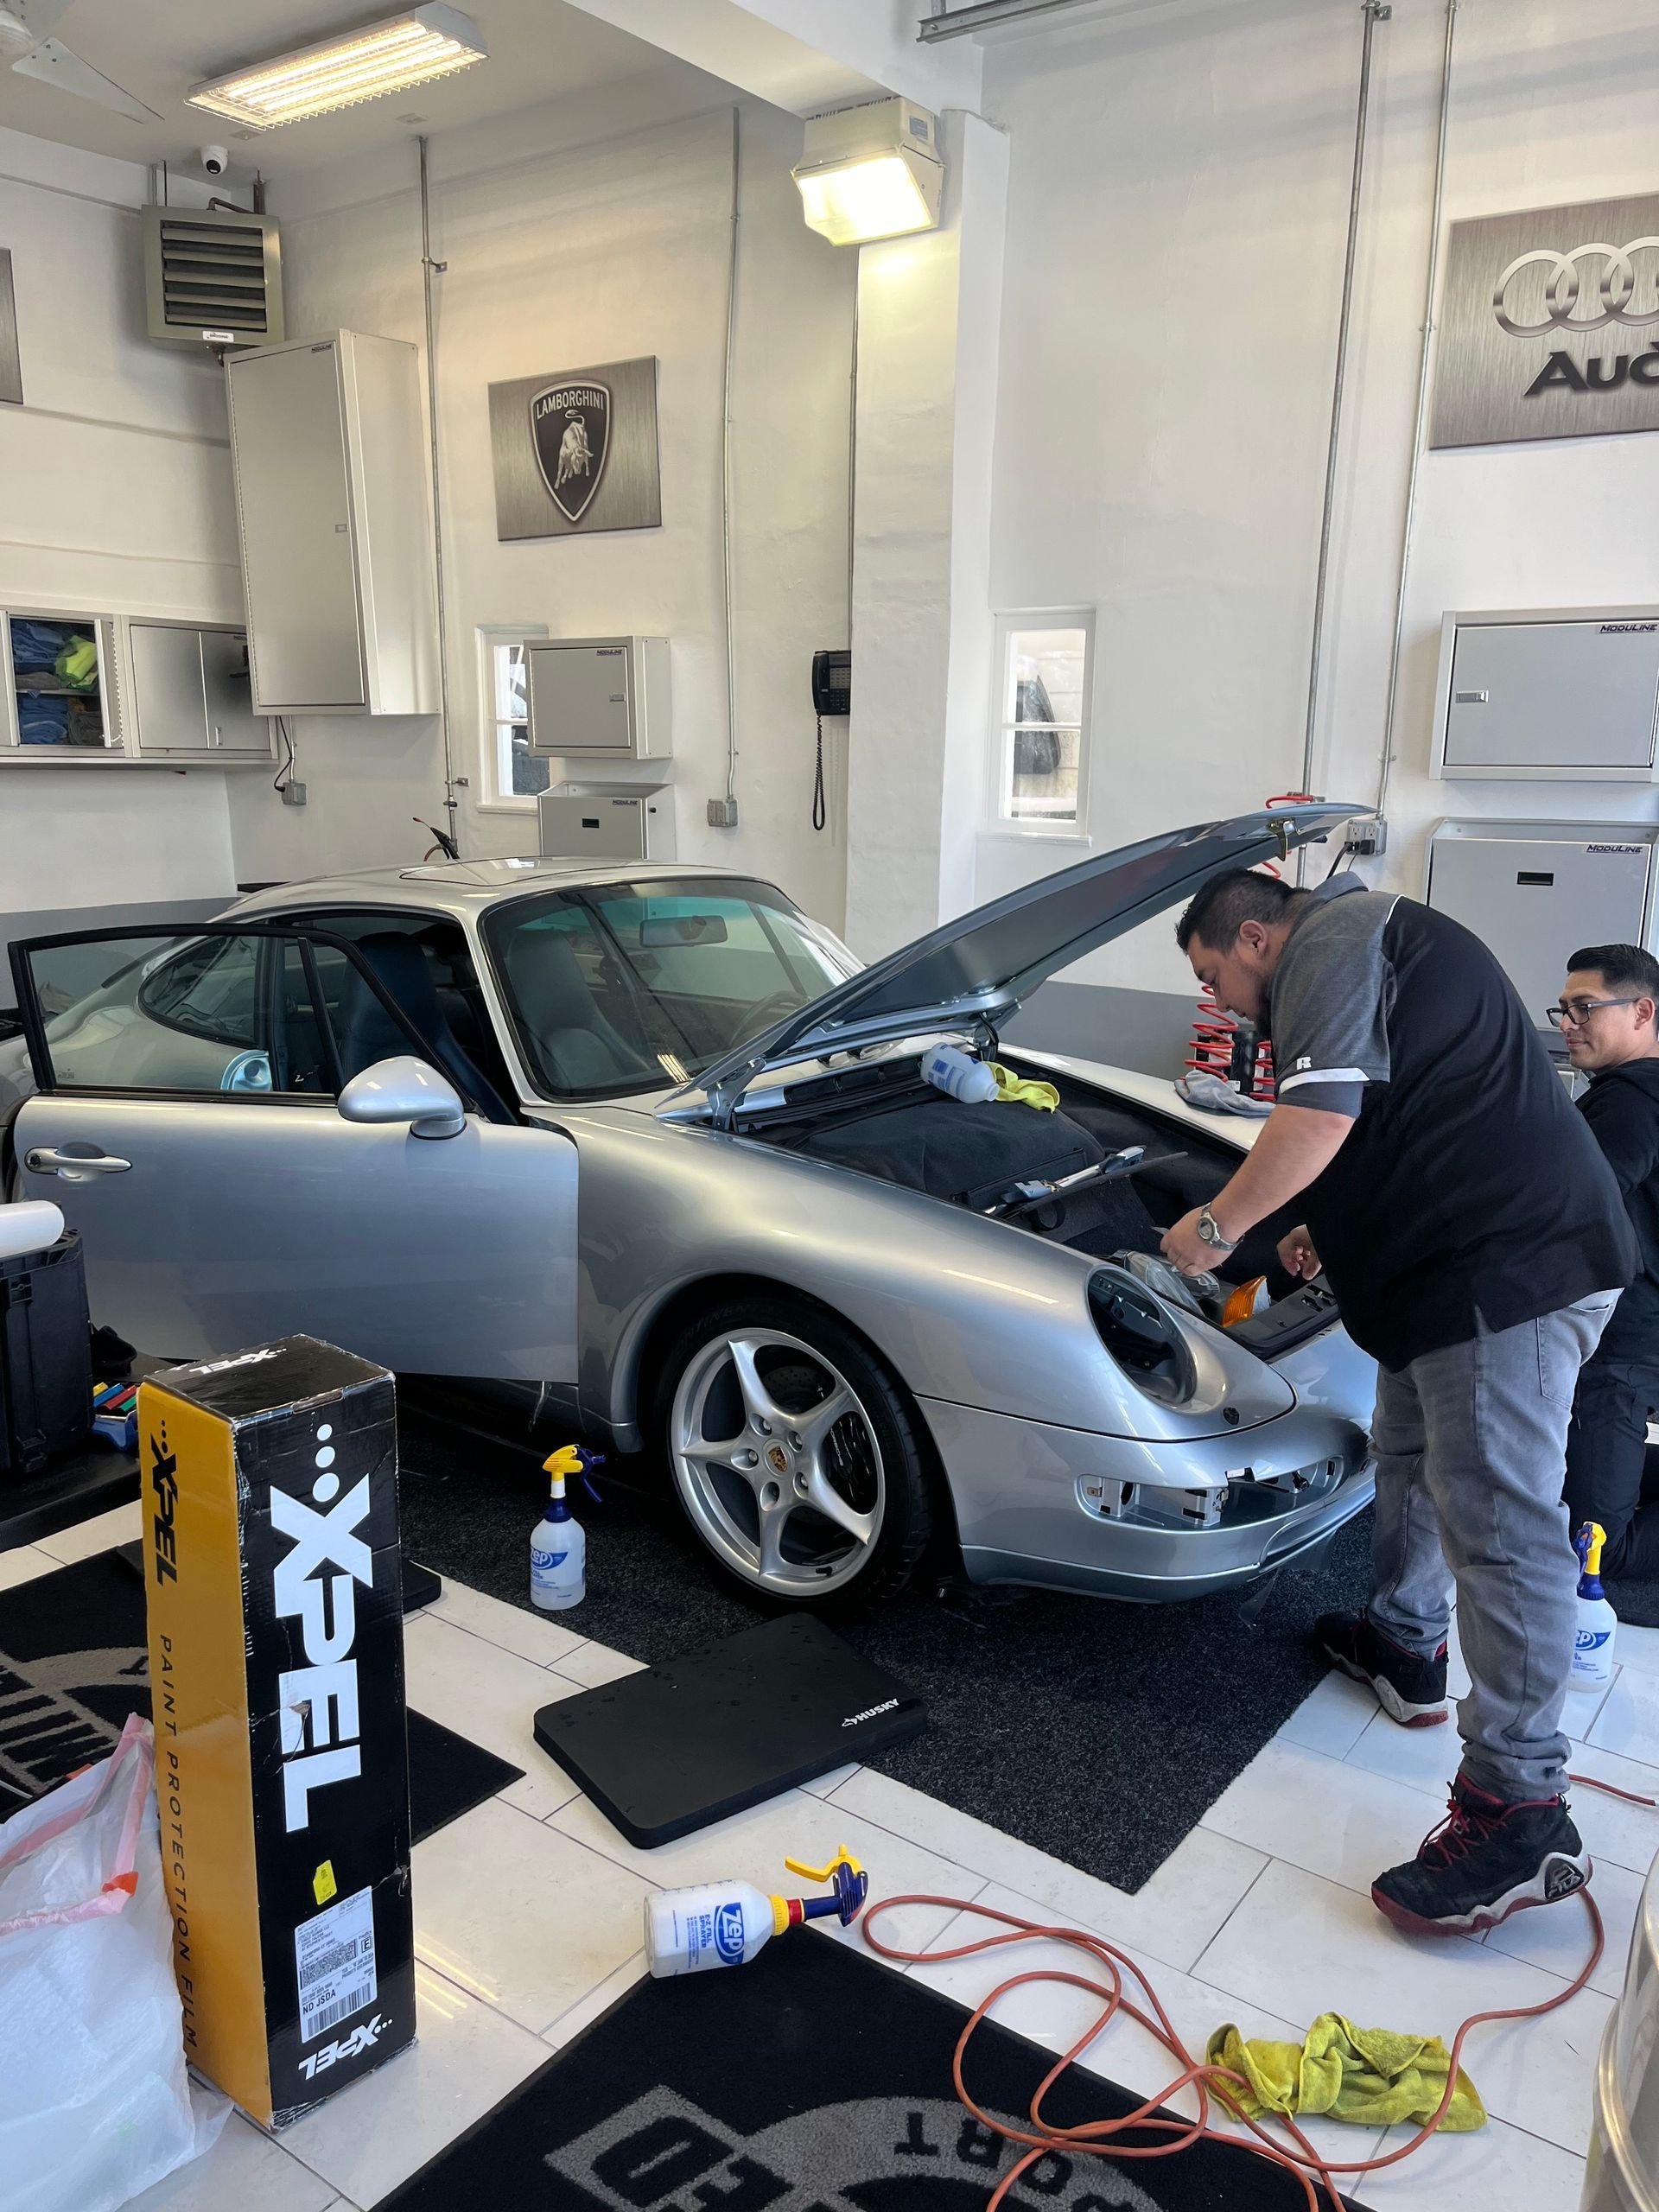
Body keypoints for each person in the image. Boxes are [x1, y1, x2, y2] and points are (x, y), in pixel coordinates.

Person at [1162, 867, 1632, 1936]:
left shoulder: (1330, 938)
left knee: (1502, 1528)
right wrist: (1325, 1222)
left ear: (1252, 937)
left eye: (1213, 978)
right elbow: (1396, 1102)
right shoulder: (1363, 944)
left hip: (1510, 1275)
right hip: (1453, 1275)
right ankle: (1408, 1645)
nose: (1223, 1006)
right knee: (1410, 1451)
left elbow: (1320, 1113)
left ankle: (1521, 1809)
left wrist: (1212, 1230)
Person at [1555, 944, 1659, 1575]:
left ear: (1642, 1011)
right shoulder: (1631, 1093)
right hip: (1632, 1334)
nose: (1568, 1023)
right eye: (1564, 1009)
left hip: (1621, 1345)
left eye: (1585, 1008)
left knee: (1595, 1545)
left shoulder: (1630, 1100)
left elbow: (1571, 1204)